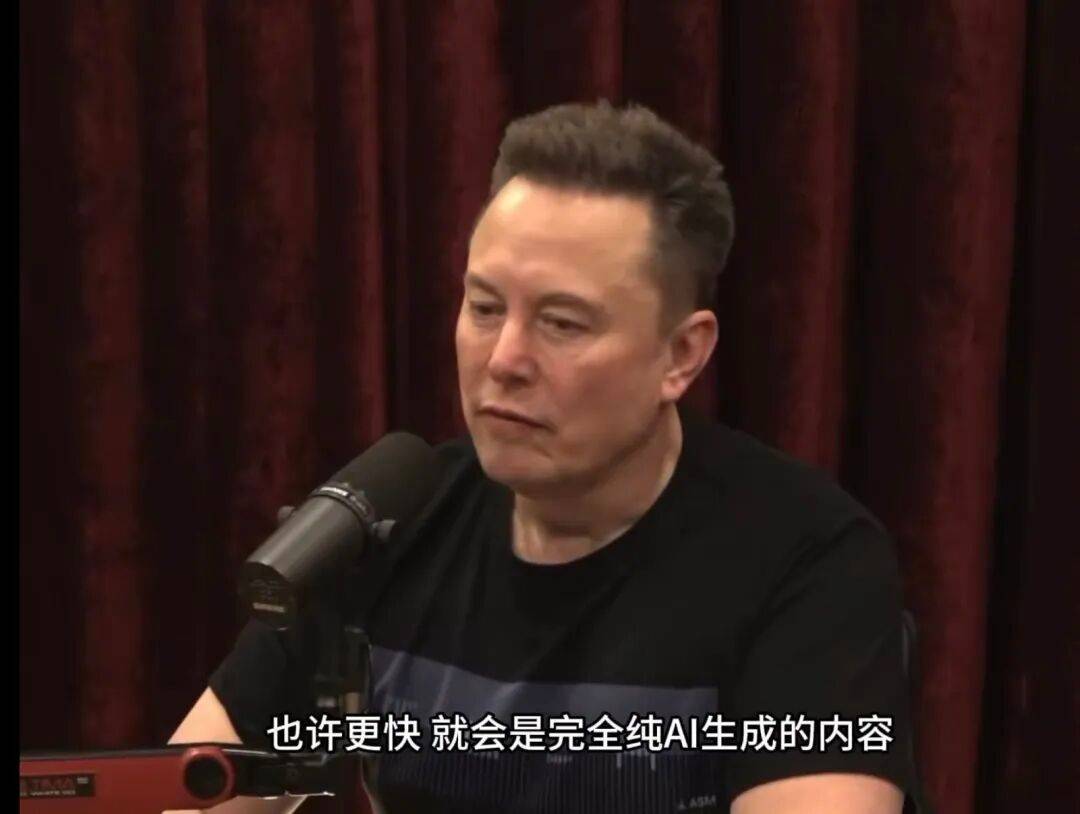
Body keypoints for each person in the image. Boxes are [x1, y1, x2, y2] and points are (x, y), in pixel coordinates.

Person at [169, 101, 928, 813]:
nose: (504, 359)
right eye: (484, 307)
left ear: (682, 355)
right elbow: (190, 792)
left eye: (562, 323)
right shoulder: (388, 521)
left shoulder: (807, 560)